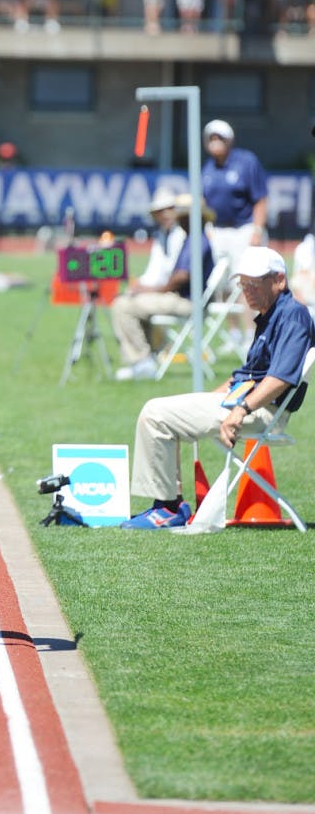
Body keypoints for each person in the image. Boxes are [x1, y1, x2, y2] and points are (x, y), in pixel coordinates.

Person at [120, 246, 315, 529]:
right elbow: (247, 375)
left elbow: (281, 378)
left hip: (261, 411)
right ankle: (170, 505)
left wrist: (240, 410)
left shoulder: (292, 315)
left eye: (254, 283)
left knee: (155, 413)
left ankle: (167, 509)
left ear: (279, 280)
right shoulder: (271, 314)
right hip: (246, 403)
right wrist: (207, 400)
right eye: (243, 284)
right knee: (162, 411)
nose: (246, 290)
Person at [112, 188, 215, 381]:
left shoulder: (196, 240)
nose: (179, 220)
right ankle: (145, 358)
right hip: (183, 298)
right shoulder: (192, 238)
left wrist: (150, 290)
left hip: (187, 302)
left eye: (182, 217)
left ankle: (142, 361)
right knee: (128, 303)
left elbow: (180, 278)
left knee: (123, 306)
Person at [202, 118, 268, 345]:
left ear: (229, 140)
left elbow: (260, 198)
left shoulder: (246, 162)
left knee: (244, 282)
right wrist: (207, 226)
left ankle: (251, 332)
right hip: (219, 231)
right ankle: (233, 334)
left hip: (243, 228)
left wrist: (257, 229)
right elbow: (204, 199)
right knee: (222, 283)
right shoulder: (208, 167)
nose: (214, 142)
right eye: (211, 138)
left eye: (219, 137)